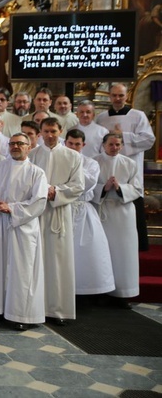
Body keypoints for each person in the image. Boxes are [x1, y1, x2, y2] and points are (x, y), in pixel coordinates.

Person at [0, 133, 48, 330]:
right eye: (12, 143)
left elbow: (39, 201)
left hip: (22, 228)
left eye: (20, 143)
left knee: (21, 271)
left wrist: (13, 209)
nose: (15, 146)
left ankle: (19, 314)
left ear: (29, 146)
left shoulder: (37, 172)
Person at [29, 118, 84, 325]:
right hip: (35, 214)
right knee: (35, 260)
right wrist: (40, 192)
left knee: (59, 262)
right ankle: (35, 308)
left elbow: (79, 186)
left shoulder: (73, 156)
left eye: (53, 131)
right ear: (40, 132)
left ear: (61, 131)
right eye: (46, 131)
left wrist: (56, 191)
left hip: (59, 214)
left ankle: (58, 310)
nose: (50, 135)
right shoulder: (32, 155)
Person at [95, 83, 155, 251]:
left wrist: (124, 137)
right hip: (106, 168)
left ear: (127, 96)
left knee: (131, 201)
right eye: (114, 95)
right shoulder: (101, 118)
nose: (117, 98)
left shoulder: (138, 115)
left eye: (121, 95)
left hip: (129, 168)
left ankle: (136, 245)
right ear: (109, 96)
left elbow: (149, 139)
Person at [64, 130, 115, 297]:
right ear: (65, 143)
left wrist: (70, 172)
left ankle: (86, 291)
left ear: (83, 145)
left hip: (82, 209)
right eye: (70, 143)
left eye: (77, 144)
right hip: (62, 209)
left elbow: (85, 183)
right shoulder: (58, 160)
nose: (73, 147)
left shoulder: (91, 163)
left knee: (86, 253)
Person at [93, 133, 142, 307]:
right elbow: (87, 187)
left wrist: (120, 188)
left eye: (118, 144)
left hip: (123, 213)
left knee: (123, 254)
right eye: (111, 144)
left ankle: (123, 293)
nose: (115, 148)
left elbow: (137, 188)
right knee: (102, 253)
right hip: (102, 210)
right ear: (103, 144)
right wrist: (103, 188)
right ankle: (100, 291)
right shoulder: (94, 162)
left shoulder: (129, 163)